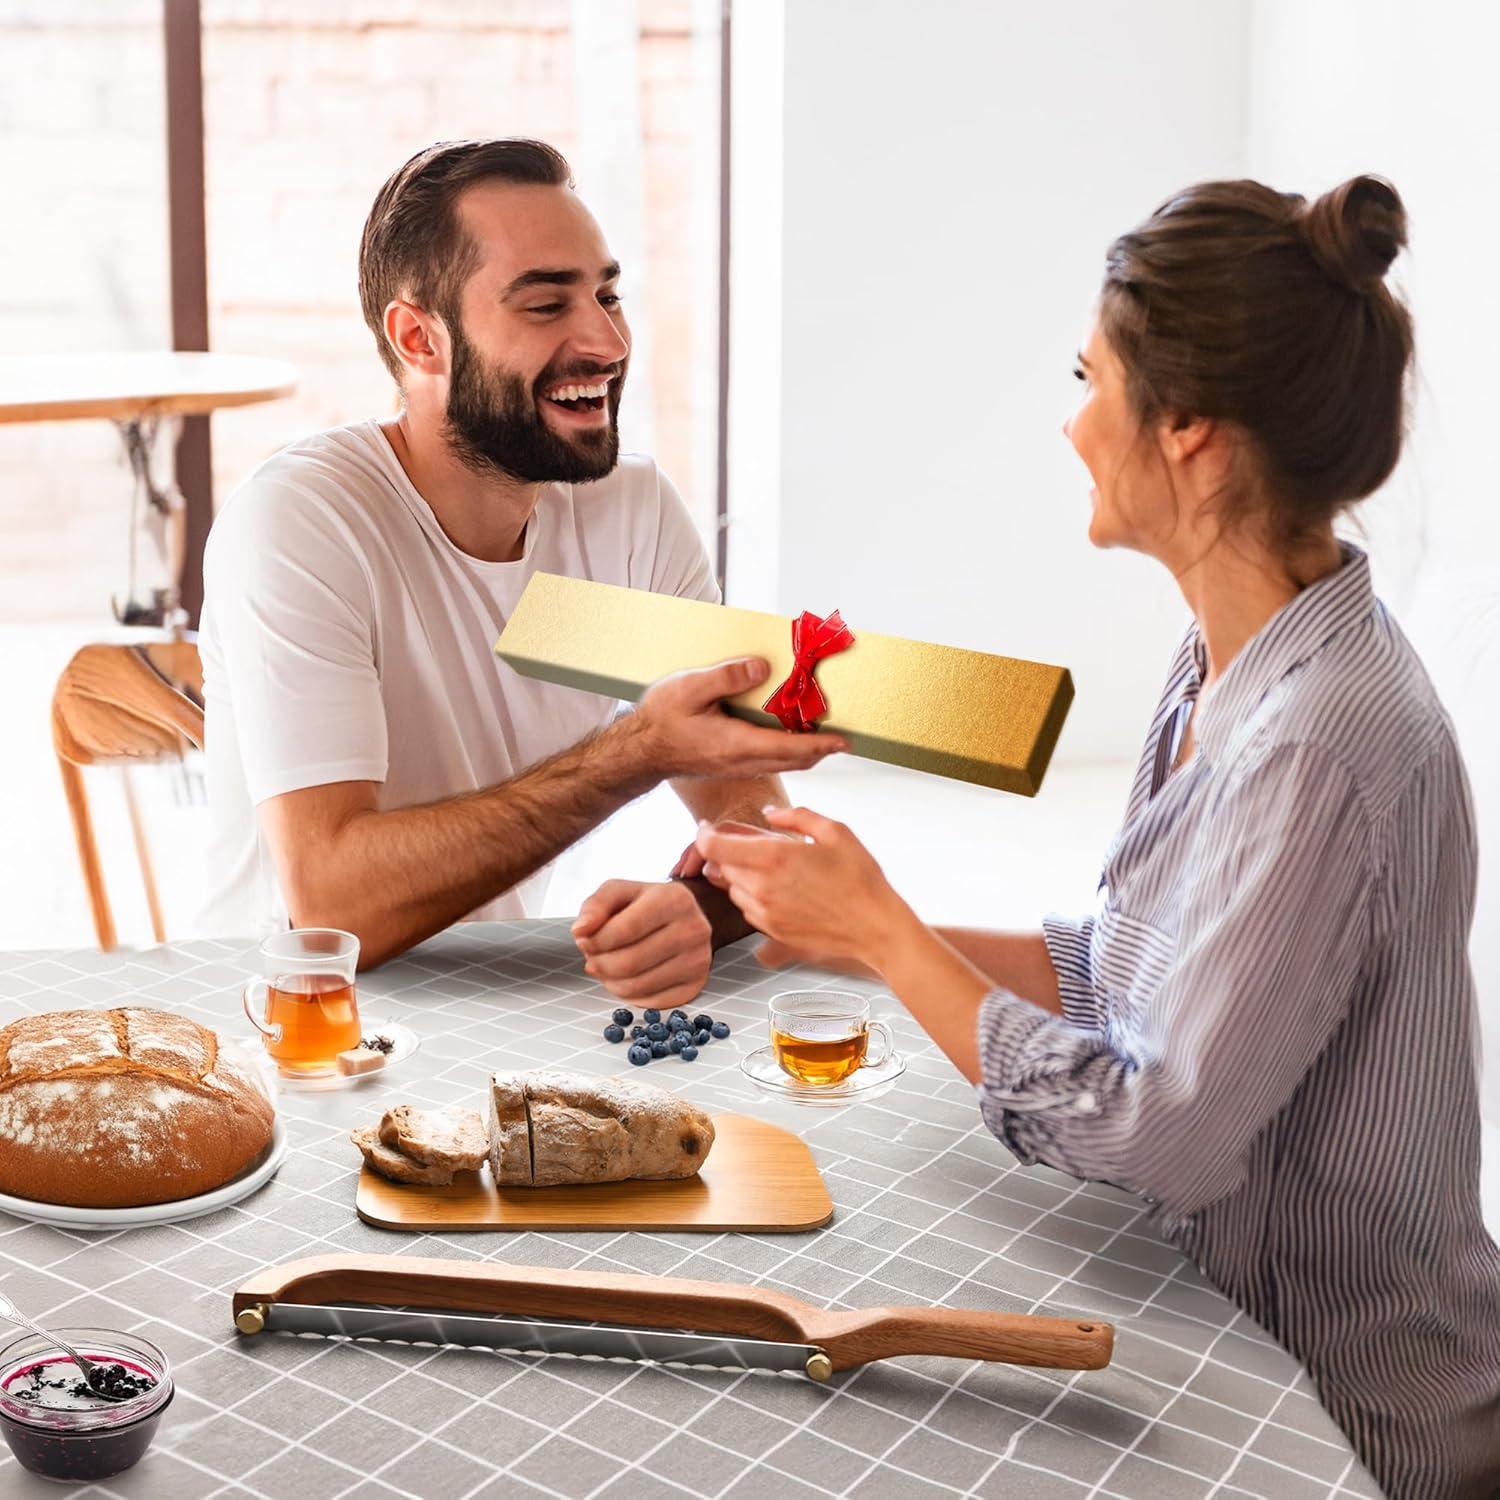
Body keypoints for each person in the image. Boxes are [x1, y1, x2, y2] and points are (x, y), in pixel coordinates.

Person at [694, 176, 1500, 1498]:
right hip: (1228, 1319)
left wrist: (891, 939)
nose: (1070, 425)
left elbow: (1159, 1132)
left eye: (1088, 377)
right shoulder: (1225, 668)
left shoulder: (1322, 739)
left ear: (1189, 428)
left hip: (1343, 1418)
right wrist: (829, 933)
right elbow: (1125, 977)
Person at [199, 138, 844, 986]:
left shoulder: (632, 514)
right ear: (419, 339)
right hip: (288, 1016)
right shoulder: (306, 522)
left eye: (608, 296)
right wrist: (634, 752)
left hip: (495, 991)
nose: (607, 343)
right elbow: (334, 906)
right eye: (546, 307)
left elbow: (750, 820)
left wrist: (702, 908)